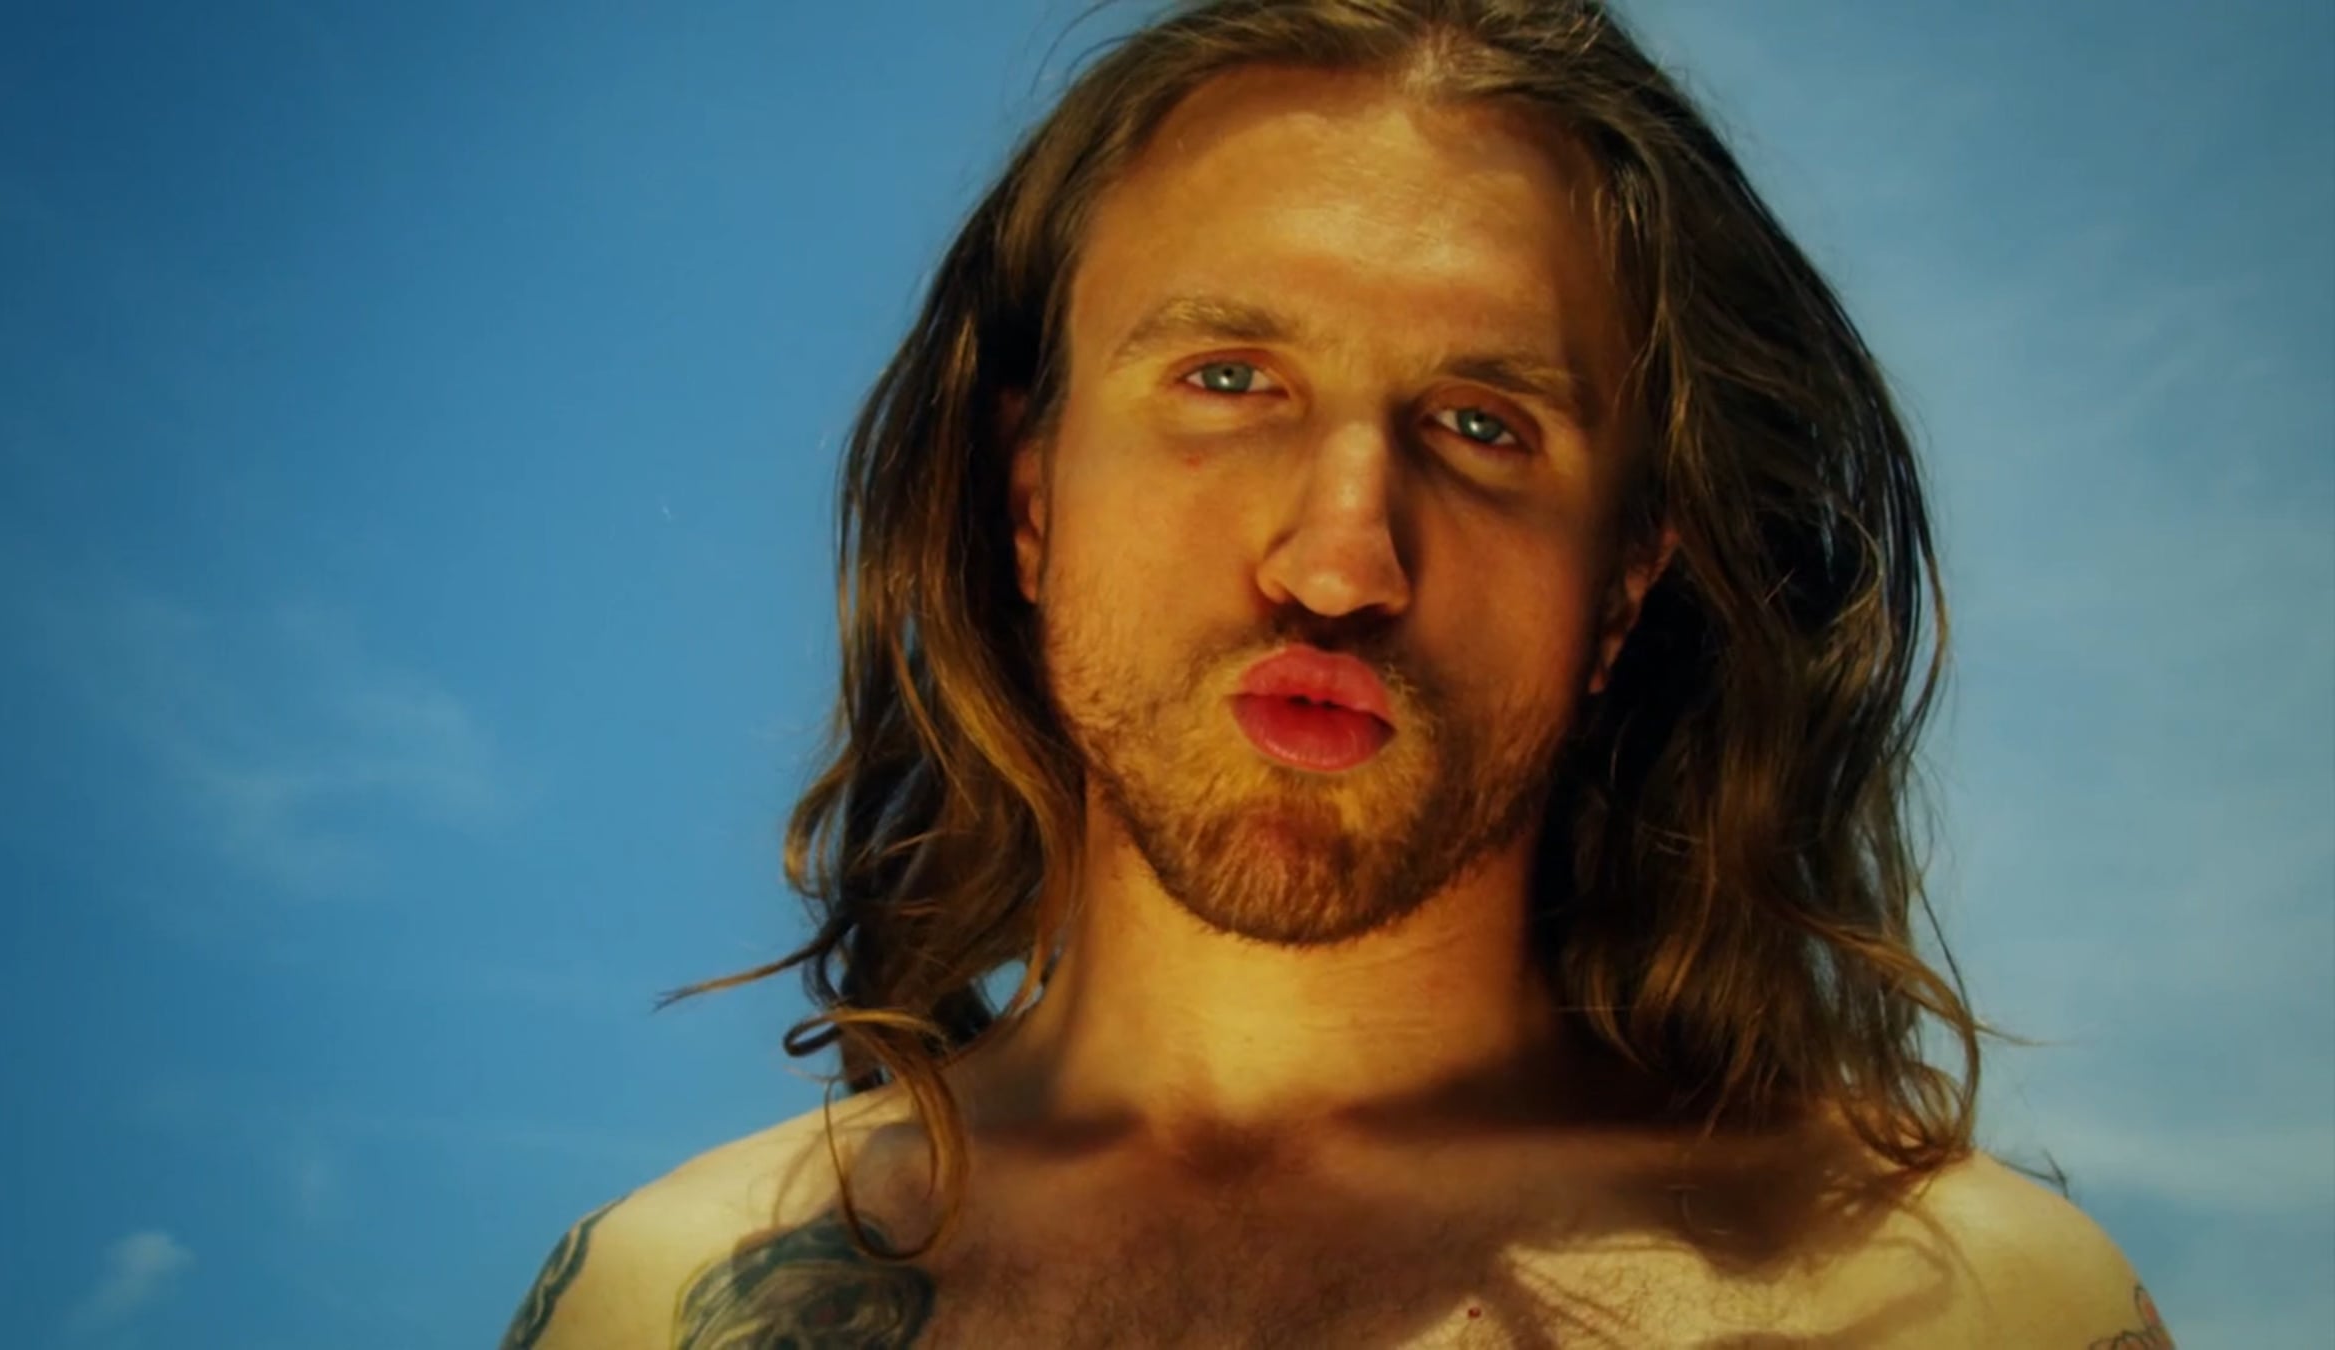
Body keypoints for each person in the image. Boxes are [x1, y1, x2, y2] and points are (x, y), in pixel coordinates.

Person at [501, 2, 2175, 1346]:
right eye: (1230, 380)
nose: (1340, 561)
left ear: (1624, 583)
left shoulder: (1963, 1308)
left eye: (1482, 426)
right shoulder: (662, 1300)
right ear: (1030, 497)